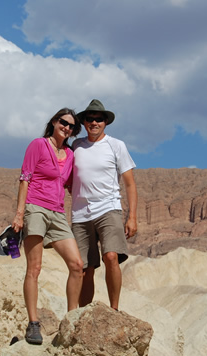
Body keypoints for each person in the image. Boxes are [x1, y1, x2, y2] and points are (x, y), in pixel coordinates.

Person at [12, 108, 84, 345]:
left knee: (76, 265)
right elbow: (25, 178)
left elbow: (73, 186)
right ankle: (33, 324)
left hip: (57, 213)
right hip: (35, 208)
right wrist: (20, 214)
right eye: (64, 122)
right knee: (35, 268)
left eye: (72, 126)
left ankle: (71, 319)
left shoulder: (70, 154)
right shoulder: (38, 145)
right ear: (54, 122)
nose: (67, 128)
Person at [71, 99, 138, 311]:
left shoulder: (116, 145)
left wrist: (132, 217)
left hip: (108, 208)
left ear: (105, 122)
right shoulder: (76, 146)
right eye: (89, 119)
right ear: (83, 122)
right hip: (80, 214)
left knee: (111, 256)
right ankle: (83, 315)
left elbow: (129, 183)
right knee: (84, 267)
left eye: (98, 119)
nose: (94, 123)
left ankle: (114, 310)